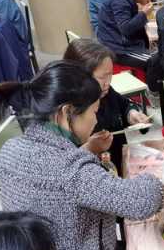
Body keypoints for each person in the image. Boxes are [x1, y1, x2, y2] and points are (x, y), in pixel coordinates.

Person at [0, 61, 164, 250]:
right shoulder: (69, 170)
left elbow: (55, 183)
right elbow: (144, 201)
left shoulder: (12, 149)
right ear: (66, 113)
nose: (96, 120)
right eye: (94, 112)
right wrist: (157, 176)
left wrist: (85, 151)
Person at [63, 38, 151, 175]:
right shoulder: (66, 112)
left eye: (110, 75)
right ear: (79, 76)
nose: (108, 83)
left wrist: (132, 114)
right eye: (102, 77)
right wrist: (89, 148)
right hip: (92, 178)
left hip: (117, 165)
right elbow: (63, 168)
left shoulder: (106, 92)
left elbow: (124, 104)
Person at [97, 0, 164, 93]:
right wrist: (143, 13)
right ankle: (154, 94)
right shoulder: (120, 0)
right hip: (117, 48)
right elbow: (126, 28)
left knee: (160, 52)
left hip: (122, 42)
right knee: (154, 59)